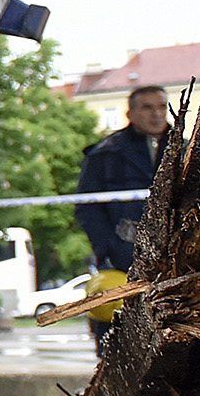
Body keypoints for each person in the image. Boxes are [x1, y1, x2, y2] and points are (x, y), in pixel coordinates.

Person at [74, 85, 172, 344]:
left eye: (162, 106)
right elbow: (87, 207)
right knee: (117, 339)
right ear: (130, 113)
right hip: (122, 262)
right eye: (147, 107)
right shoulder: (105, 154)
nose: (156, 114)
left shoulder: (184, 148)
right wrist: (108, 247)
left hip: (175, 260)